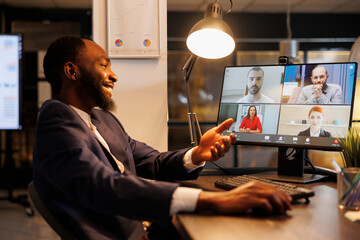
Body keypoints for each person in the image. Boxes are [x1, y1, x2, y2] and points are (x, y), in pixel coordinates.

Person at [33, 36, 292, 240]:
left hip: (147, 227)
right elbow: (102, 185)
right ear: (72, 71)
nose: (114, 75)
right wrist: (213, 199)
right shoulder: (55, 116)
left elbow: (154, 162)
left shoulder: (104, 120)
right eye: (103, 65)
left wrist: (196, 155)